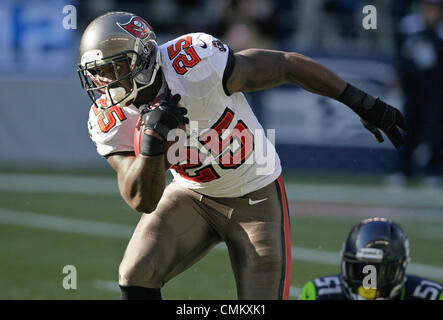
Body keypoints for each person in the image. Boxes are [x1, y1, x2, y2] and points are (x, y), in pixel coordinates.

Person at [78, 11, 407, 300]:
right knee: (136, 272)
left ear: (145, 57)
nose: (105, 81)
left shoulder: (196, 62)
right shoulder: (108, 117)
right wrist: (153, 141)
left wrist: (361, 101)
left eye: (115, 67)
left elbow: (286, 66)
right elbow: (142, 199)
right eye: (97, 72)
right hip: (191, 193)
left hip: (256, 196)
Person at [299, 217, 443, 300]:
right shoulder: (319, 294)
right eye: (361, 269)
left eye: (381, 271)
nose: (370, 282)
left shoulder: (432, 295)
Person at [388, 0, 443, 189]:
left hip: (436, 91)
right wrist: (397, 75)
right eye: (428, 8)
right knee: (407, 130)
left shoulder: (439, 32)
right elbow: (400, 55)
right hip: (412, 89)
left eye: (435, 8)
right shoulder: (409, 26)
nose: (431, 12)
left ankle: (433, 172)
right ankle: (402, 171)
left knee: (436, 133)